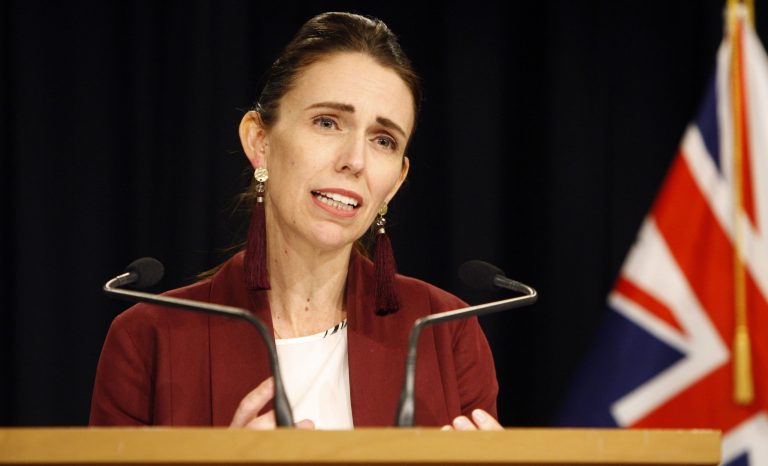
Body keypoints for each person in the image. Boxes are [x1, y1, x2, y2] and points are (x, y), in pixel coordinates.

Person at [90, 11, 500, 431]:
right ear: (259, 141)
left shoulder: (446, 333)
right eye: (327, 122)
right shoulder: (148, 339)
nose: (355, 161)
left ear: (395, 181)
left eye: (383, 140)